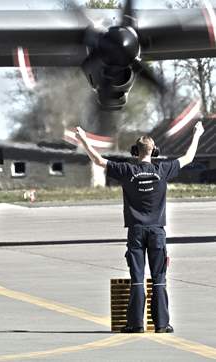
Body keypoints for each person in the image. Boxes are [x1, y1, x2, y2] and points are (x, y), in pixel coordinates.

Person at [75, 122, 205, 333]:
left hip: (135, 231)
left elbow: (98, 160)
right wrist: (197, 133)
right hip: (157, 232)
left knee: (137, 279)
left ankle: (136, 324)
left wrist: (83, 139)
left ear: (135, 152)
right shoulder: (162, 169)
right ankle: (162, 324)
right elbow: (188, 157)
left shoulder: (127, 170)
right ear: (154, 151)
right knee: (159, 279)